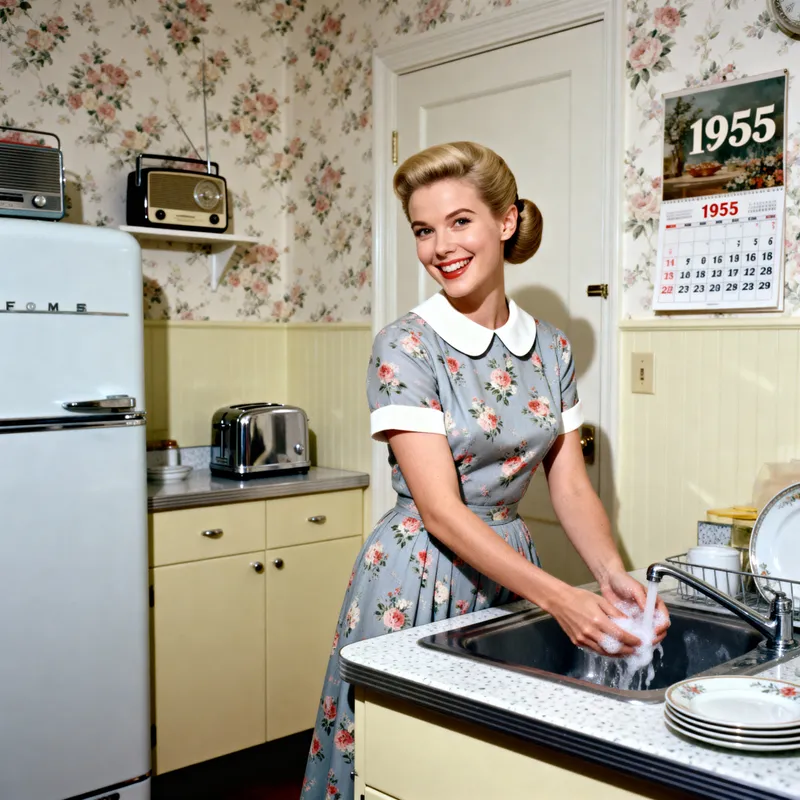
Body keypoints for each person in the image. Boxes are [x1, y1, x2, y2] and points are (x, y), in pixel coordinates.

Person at [301, 141, 669, 799]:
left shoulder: (550, 347)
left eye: (460, 221)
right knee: (404, 766)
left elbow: (569, 481)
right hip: (417, 574)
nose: (440, 246)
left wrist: (612, 576)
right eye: (423, 229)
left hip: (508, 571)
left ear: (506, 221)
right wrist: (559, 597)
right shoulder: (407, 344)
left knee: (488, 769)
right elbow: (440, 510)